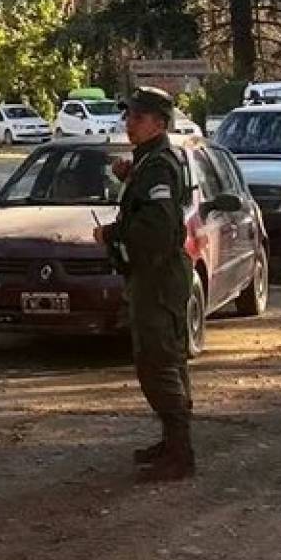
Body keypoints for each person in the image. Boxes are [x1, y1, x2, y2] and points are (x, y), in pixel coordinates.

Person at [94, 86, 196, 481]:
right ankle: (172, 442)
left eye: (137, 118)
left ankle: (180, 452)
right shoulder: (150, 161)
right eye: (129, 117)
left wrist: (115, 235)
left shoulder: (159, 165)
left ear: (159, 123)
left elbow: (157, 227)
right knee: (160, 357)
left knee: (159, 361)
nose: (128, 124)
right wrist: (128, 175)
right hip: (153, 274)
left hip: (158, 275)